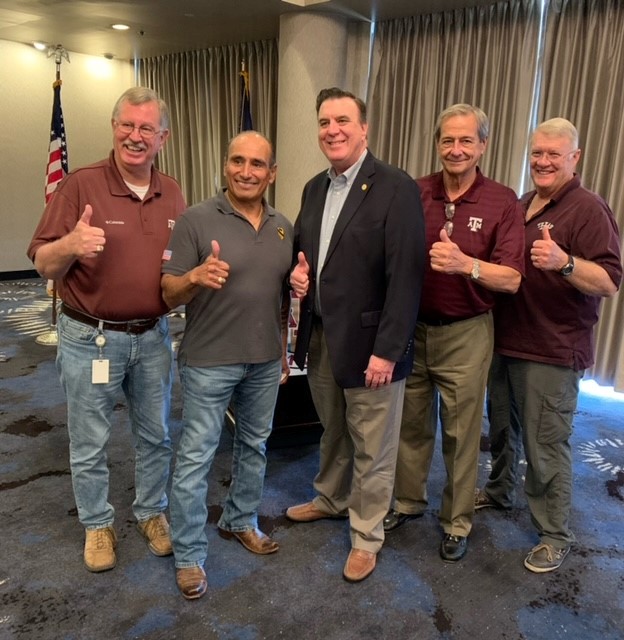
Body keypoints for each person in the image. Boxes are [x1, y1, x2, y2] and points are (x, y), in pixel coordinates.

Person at [27, 87, 186, 572]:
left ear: (162, 138)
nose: (135, 136)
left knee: (156, 435)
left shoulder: (173, 191)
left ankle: (152, 512)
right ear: (114, 128)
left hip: (153, 336)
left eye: (146, 128)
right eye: (127, 125)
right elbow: (42, 262)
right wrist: (70, 245)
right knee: (90, 440)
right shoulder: (80, 185)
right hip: (89, 338)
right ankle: (97, 524)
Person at [285, 87, 426, 583]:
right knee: (334, 429)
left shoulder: (395, 187)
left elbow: (406, 277)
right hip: (322, 338)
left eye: (343, 120)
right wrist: (297, 275)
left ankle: (366, 536)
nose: (333, 130)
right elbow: (306, 254)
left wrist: (387, 352)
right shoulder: (313, 188)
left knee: (373, 446)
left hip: (372, 348)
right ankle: (331, 497)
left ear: (364, 128)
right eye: (325, 122)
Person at [475, 118, 622, 573]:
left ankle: (555, 533)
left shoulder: (588, 209)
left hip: (552, 350)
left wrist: (564, 262)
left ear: (574, 158)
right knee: (503, 429)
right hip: (506, 341)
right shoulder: (521, 204)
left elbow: (609, 281)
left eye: (553, 154)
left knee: (545, 446)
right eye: (537, 152)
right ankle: (500, 490)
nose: (542, 161)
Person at [384, 104, 525, 563]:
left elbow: (512, 278)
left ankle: (456, 522)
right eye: (448, 140)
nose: (456, 149)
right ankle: (408, 501)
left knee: (462, 434)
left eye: (466, 140)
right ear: (437, 144)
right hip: (413, 329)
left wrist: (466, 264)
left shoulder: (502, 200)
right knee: (411, 423)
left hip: (467, 332)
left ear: (483, 146)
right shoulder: (414, 191)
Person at [161, 131, 293, 600]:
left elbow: (281, 298)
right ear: (225, 166)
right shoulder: (195, 220)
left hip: (264, 360)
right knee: (196, 458)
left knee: (254, 446)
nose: (246, 171)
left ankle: (240, 519)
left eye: (257, 164)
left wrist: (282, 349)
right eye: (238, 161)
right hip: (208, 360)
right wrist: (195, 277)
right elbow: (168, 292)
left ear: (271, 173)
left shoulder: (283, 226)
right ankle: (189, 554)